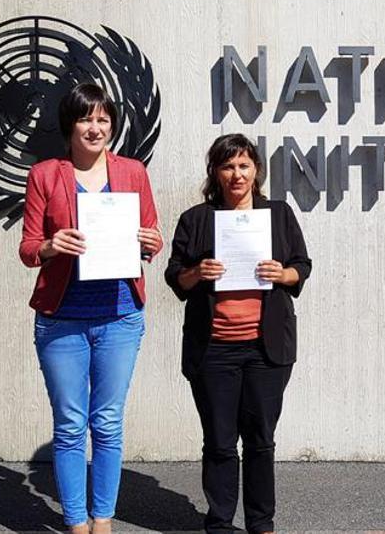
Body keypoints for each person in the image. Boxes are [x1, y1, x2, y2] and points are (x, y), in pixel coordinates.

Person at [18, 82, 163, 534]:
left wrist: (152, 242)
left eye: (103, 119)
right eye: (86, 118)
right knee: (69, 425)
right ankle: (76, 522)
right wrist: (49, 245)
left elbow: (152, 234)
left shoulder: (133, 172)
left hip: (120, 314)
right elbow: (26, 249)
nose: (95, 127)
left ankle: (103, 520)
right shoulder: (45, 175)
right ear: (70, 126)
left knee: (107, 421)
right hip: (61, 319)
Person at [165, 133, 311, 534]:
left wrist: (284, 273)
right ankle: (219, 522)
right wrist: (197, 273)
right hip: (213, 349)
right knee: (219, 441)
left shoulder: (278, 215)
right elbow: (174, 275)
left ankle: (261, 522)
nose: (236, 173)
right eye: (228, 165)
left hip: (267, 349)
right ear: (215, 171)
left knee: (261, 439)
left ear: (256, 171)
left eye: (244, 165)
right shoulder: (196, 219)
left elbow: (303, 264)